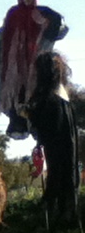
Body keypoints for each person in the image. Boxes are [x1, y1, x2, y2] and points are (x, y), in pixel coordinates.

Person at [0, 0, 67, 138]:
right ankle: (17, 122)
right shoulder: (13, 13)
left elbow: (58, 25)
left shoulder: (40, 14)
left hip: (33, 62)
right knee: (14, 94)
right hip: (13, 64)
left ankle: (35, 126)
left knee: (34, 92)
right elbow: (2, 33)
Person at [27, 51, 80, 223]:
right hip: (64, 152)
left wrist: (30, 114)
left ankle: (57, 215)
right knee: (67, 177)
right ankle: (64, 214)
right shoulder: (61, 96)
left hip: (56, 152)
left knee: (59, 177)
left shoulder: (49, 99)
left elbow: (44, 129)